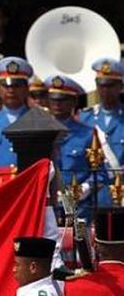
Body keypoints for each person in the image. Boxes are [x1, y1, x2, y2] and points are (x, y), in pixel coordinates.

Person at [45, 75, 94, 218]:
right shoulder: (39, 131)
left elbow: (101, 171)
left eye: (63, 99)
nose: (57, 104)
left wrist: (84, 189)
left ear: (74, 101)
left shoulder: (88, 133)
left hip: (79, 206)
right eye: (53, 99)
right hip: (47, 204)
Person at [78, 58, 124, 208]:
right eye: (101, 85)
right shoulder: (85, 117)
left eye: (110, 85)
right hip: (95, 195)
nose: (105, 90)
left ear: (120, 86)